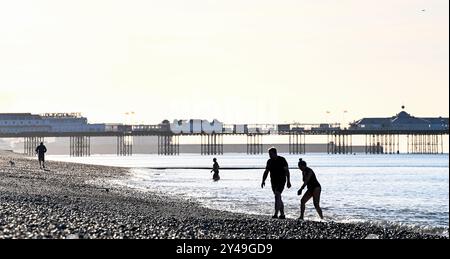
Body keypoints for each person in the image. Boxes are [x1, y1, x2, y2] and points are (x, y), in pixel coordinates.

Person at [261, 147, 291, 219]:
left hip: (282, 180)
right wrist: (263, 181)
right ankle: (282, 214)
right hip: (273, 181)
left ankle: (276, 214)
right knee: (278, 197)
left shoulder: (282, 160)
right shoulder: (269, 161)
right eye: (269, 154)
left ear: (275, 153)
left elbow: (287, 171)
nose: (270, 155)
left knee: (277, 195)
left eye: (271, 154)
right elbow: (266, 172)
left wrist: (288, 181)